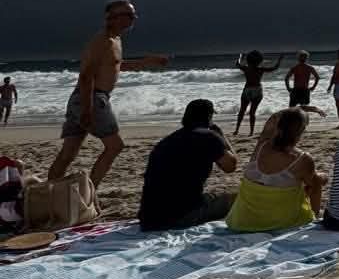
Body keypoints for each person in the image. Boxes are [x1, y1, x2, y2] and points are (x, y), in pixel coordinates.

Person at [48, 0, 170, 188]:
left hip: (83, 98)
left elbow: (117, 65)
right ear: (112, 18)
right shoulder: (102, 41)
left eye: (133, 14)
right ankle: (89, 191)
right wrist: (87, 110)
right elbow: (86, 76)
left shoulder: (116, 40)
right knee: (115, 146)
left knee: (68, 153)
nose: (132, 18)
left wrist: (148, 61)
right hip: (92, 98)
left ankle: (49, 193)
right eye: (127, 15)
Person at [138, 99, 238, 232]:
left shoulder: (168, 140)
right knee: (237, 197)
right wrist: (221, 136)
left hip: (149, 217)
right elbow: (231, 166)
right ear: (209, 117)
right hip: (182, 215)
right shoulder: (209, 137)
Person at [226, 107, 323, 231]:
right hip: (280, 222)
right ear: (302, 130)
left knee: (309, 180)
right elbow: (313, 185)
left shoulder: (261, 144)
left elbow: (274, 117)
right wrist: (321, 179)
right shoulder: (303, 159)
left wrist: (300, 109)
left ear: (279, 126)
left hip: (242, 222)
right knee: (317, 181)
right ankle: (314, 217)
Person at [234, 50, 283, 135]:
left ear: (248, 60)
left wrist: (240, 56)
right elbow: (274, 68)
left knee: (242, 111)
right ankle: (251, 132)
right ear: (259, 61)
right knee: (252, 112)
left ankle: (237, 130)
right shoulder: (260, 69)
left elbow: (237, 64)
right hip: (257, 90)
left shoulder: (246, 68)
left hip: (247, 90)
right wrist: (279, 60)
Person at [286, 51, 324, 116]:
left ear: (298, 58)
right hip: (304, 90)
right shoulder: (309, 68)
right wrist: (313, 87)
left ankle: (293, 123)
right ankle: (302, 124)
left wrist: (288, 88)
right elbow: (317, 77)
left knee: (291, 109)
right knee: (304, 109)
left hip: (296, 90)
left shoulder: (295, 68)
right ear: (306, 58)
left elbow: (286, 78)